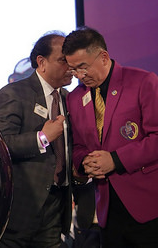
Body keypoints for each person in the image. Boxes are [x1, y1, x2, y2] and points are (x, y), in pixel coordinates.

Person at [62, 26, 158, 247]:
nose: (79, 76)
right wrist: (84, 162)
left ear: (103, 57)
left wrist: (115, 160)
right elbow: (78, 146)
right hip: (106, 209)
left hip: (147, 206)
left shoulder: (143, 82)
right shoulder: (75, 98)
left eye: (83, 67)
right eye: (73, 70)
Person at [0, 32, 74, 247]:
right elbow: (0, 145)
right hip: (21, 207)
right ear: (42, 62)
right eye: (63, 60)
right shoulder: (13, 93)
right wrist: (43, 137)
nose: (70, 66)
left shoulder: (69, 98)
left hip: (57, 204)